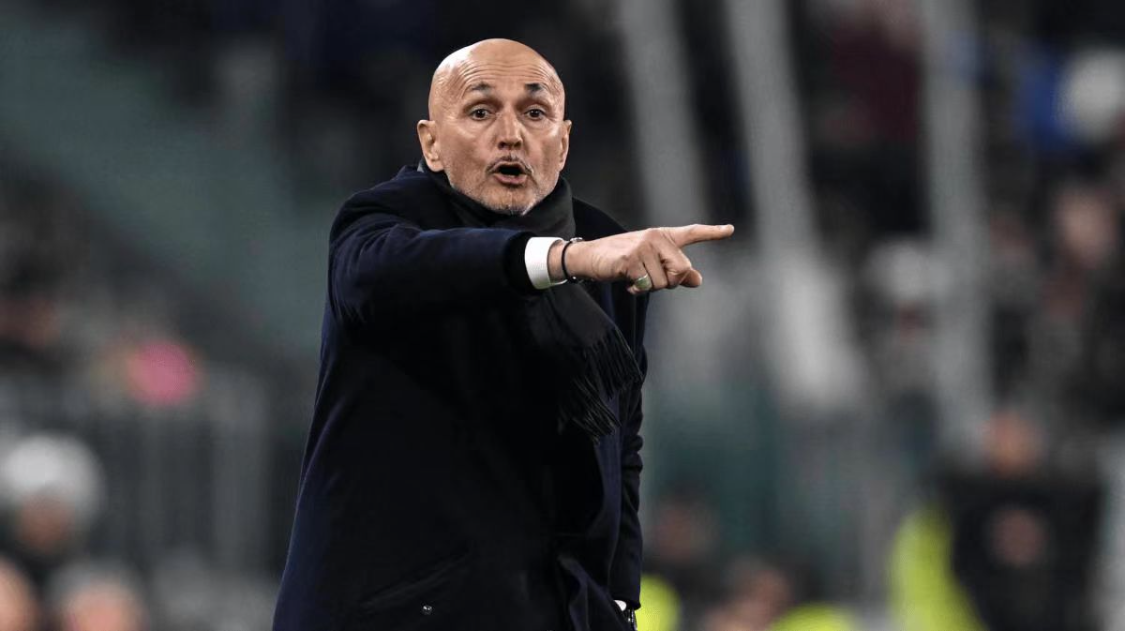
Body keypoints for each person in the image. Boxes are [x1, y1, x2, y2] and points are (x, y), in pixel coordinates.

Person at [273, 38, 734, 631]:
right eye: (481, 111)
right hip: (396, 611)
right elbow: (385, 277)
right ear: (431, 143)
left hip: (550, 608)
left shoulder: (605, 245)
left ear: (562, 142)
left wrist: (618, 598)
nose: (510, 134)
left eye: (534, 113)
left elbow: (622, 441)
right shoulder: (385, 221)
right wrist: (560, 259)